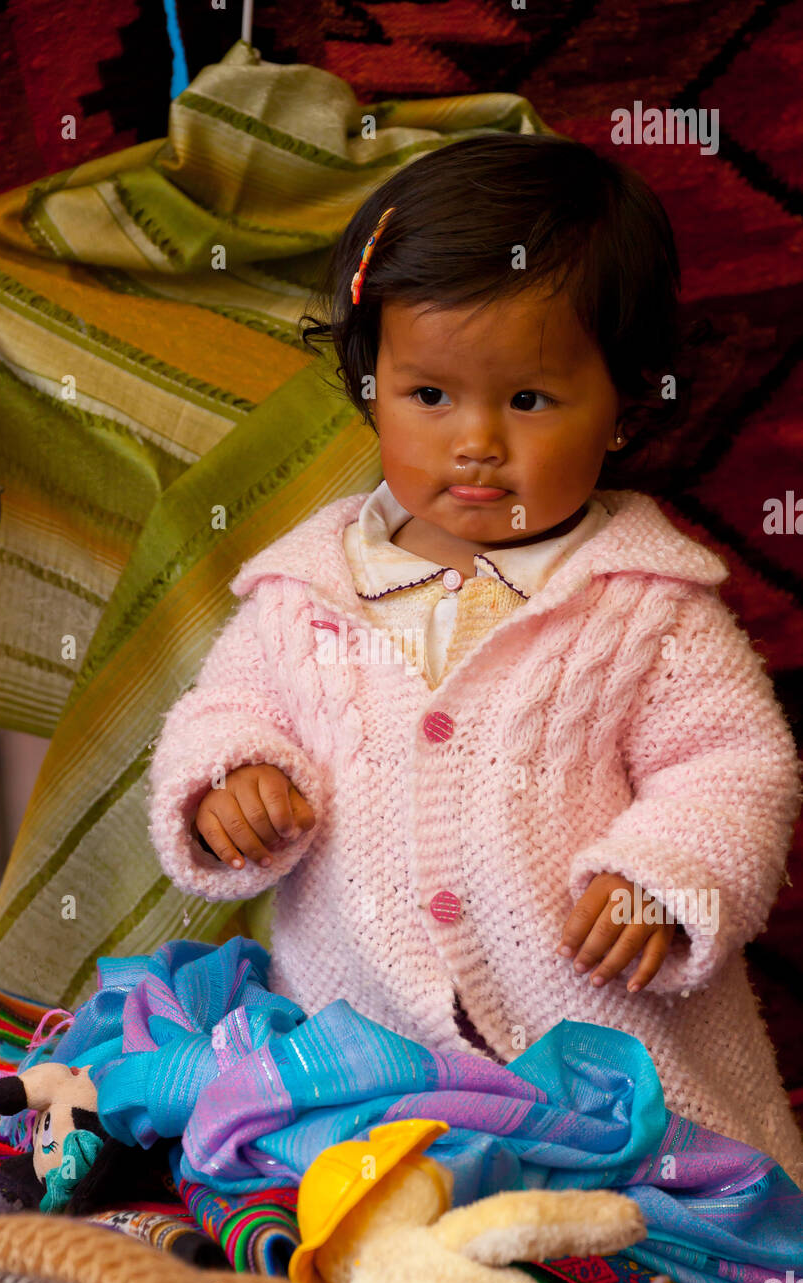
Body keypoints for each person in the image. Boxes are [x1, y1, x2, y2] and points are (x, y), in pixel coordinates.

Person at [147, 133, 803, 1186]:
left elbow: (732, 767)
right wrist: (231, 781)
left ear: (624, 407)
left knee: (649, 1231)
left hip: (601, 1068)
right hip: (363, 1061)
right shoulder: (305, 590)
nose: (475, 443)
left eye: (529, 401)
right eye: (429, 397)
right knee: (362, 1216)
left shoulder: (641, 605)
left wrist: (662, 877)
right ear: (369, 386)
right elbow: (224, 712)